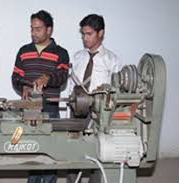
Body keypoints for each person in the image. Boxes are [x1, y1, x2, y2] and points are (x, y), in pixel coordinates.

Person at [11, 10, 70, 183]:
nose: (33, 33)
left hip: (51, 111)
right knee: (33, 153)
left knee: (50, 155)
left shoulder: (61, 53)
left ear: (49, 30)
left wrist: (48, 77)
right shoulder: (23, 51)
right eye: (32, 28)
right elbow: (15, 77)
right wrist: (23, 87)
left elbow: (62, 77)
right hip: (28, 110)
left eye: (38, 29)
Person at [67, 14, 122, 183]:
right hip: (77, 110)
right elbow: (71, 85)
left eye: (89, 34)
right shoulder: (77, 57)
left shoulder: (112, 60)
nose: (85, 38)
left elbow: (117, 91)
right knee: (72, 151)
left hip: (99, 114)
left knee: (97, 151)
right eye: (83, 34)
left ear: (101, 33)